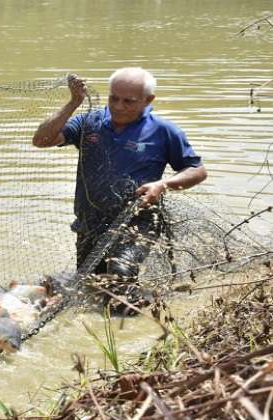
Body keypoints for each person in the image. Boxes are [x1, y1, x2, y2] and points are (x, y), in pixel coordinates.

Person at [32, 68, 207, 310]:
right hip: (89, 222)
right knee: (92, 285)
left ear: (148, 100)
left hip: (138, 221)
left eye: (129, 101)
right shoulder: (90, 122)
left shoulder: (164, 131)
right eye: (114, 98)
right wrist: (74, 102)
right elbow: (41, 140)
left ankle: (131, 334)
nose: (119, 106)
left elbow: (197, 170)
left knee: (120, 273)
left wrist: (163, 184)